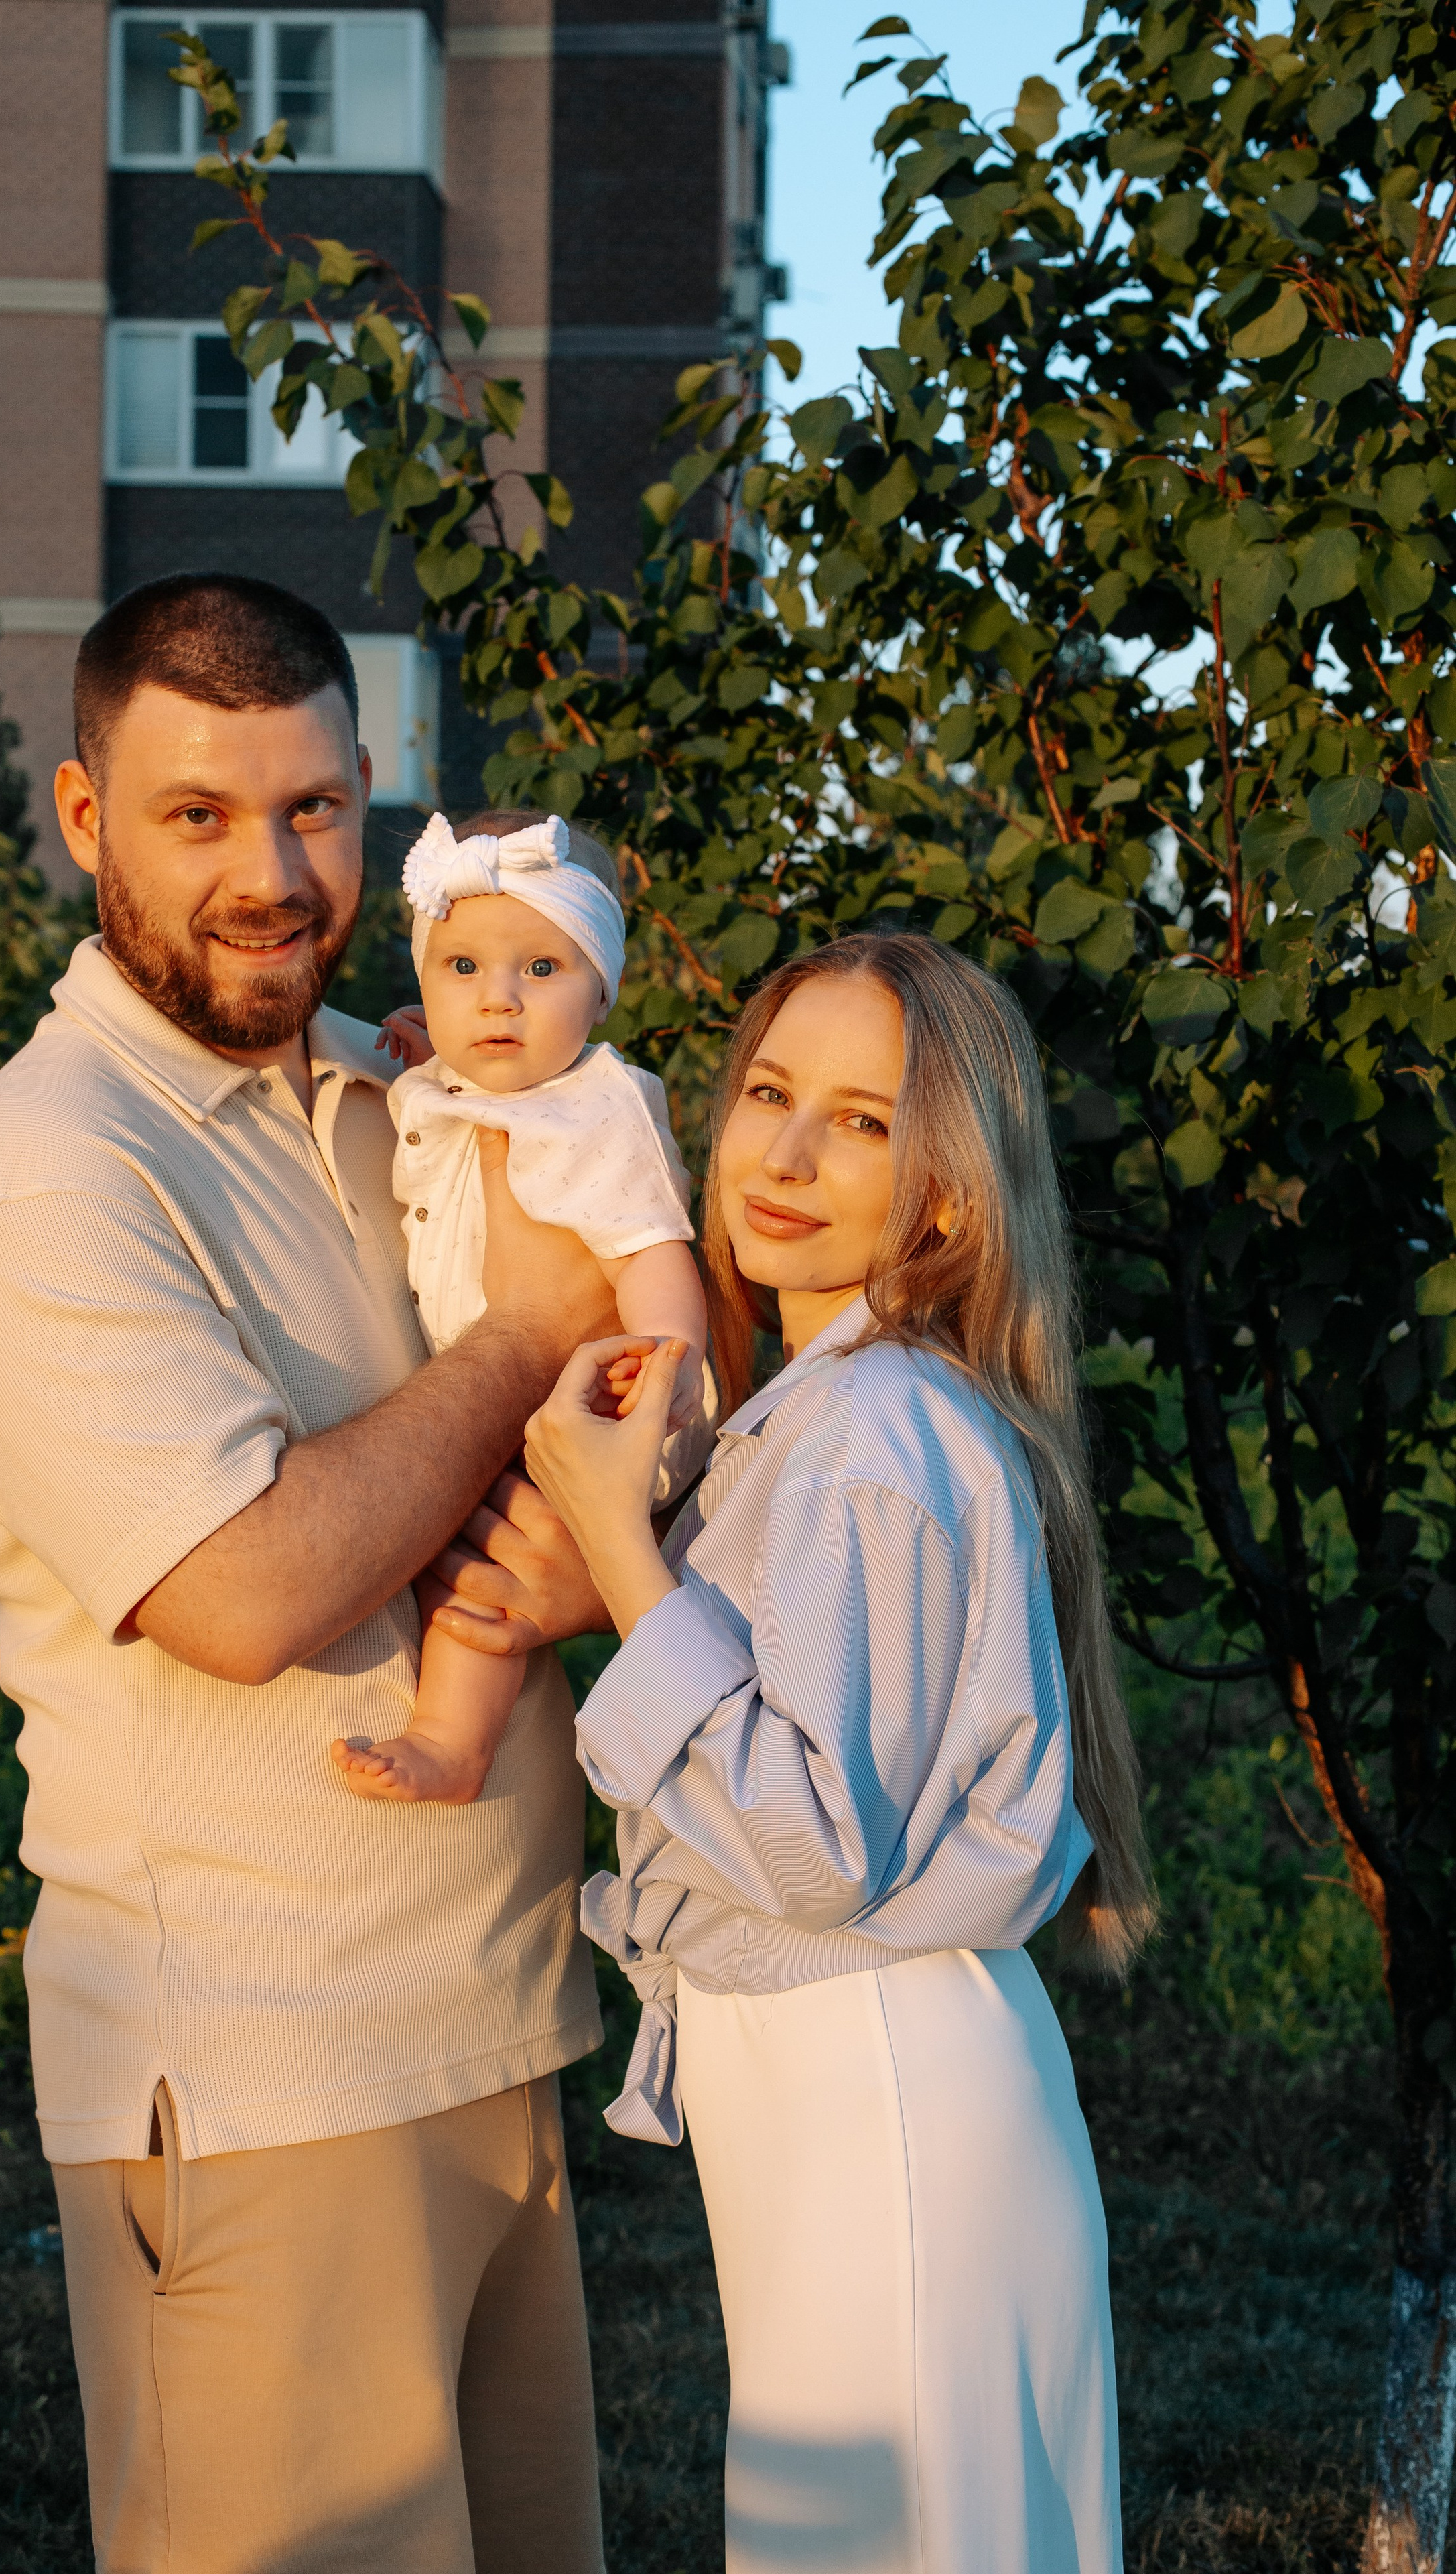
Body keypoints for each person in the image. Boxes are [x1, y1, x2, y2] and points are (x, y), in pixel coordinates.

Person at [0, 572, 614, 2574]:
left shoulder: (394, 1095)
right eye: (198, 814)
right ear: (82, 816)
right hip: (259, 2081)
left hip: (492, 2028)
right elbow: (236, 1590)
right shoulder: (55, 1166)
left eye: (311, 807)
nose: (271, 872)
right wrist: (520, 1338)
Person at [524, 931, 1156, 2574]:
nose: (786, 1155)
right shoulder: (835, 1411)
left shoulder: (872, 1431)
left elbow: (808, 1843)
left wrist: (616, 1543)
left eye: (863, 1122)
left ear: (945, 1194)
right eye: (767, 1094)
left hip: (873, 2076)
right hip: (852, 2075)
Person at [334, 803, 710, 1803]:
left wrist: (667, 1358)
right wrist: (430, 1045)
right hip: (497, 1386)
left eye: (541, 969)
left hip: (590, 1406)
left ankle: (453, 1740)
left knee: (485, 1554)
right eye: (463, 969)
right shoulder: (466, 1077)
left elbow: (653, 1246)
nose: (498, 1000)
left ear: (601, 989)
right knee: (456, 1527)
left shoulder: (600, 1107)